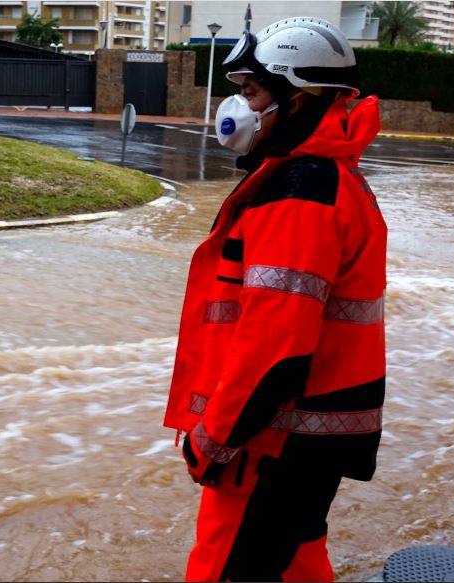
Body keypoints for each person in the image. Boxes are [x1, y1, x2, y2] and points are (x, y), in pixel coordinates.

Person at [163, 17, 387, 582]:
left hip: (276, 435)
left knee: (226, 566)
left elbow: (275, 343)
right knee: (295, 561)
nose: (238, 106)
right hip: (310, 433)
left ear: (299, 100)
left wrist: (214, 440)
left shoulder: (300, 193)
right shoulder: (331, 176)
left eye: (252, 91)